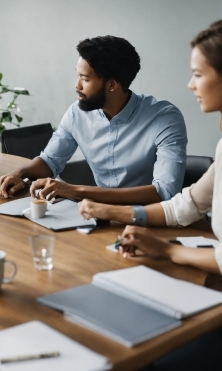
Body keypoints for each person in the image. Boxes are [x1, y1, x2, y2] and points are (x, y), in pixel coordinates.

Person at [79, 21, 222, 275]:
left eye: (198, 74)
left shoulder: (164, 116)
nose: (190, 84)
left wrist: (167, 250)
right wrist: (113, 212)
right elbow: (186, 206)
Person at [0, 36, 187, 205]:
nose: (76, 85)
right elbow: (50, 161)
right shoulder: (77, 114)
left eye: (85, 79)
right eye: (78, 76)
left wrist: (76, 191)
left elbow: (165, 192)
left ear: (112, 84)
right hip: (98, 214)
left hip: (151, 221)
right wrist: (19, 174)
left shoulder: (164, 118)